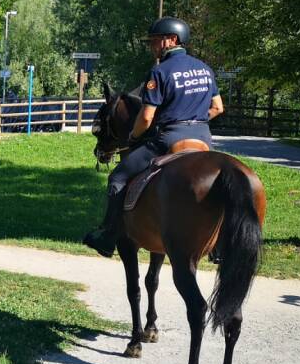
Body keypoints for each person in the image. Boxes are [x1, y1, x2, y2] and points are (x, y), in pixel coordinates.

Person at [83, 17, 225, 257]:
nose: (152, 46)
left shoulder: (160, 72)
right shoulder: (205, 69)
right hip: (203, 137)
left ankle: (108, 237)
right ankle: (218, 246)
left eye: (156, 41)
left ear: (172, 40)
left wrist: (134, 136)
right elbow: (218, 108)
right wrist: (195, 121)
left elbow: (147, 117)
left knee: (117, 177)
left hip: (169, 138)